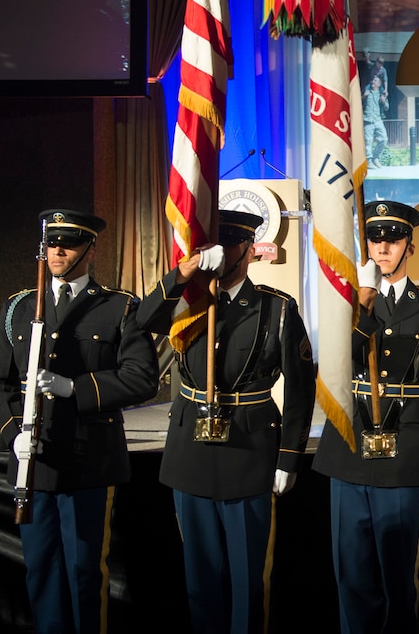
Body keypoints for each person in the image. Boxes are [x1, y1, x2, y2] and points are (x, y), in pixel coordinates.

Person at [135, 209, 316, 634]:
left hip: (248, 454)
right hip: (190, 453)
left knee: (247, 582)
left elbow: (301, 390)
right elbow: (142, 321)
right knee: (199, 583)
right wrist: (182, 273)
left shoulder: (277, 309)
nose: (220, 251)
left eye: (231, 242)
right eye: (213, 243)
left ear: (250, 251)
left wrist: (289, 458)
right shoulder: (188, 303)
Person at [0, 209, 159, 634]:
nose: (57, 250)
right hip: (34, 462)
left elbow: (141, 379)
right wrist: (12, 435)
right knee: (41, 570)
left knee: (85, 572)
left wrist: (73, 388)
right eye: (51, 242)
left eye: (69, 243)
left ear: (90, 250)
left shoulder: (119, 307)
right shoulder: (19, 307)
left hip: (89, 461)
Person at [313, 200, 419, 634]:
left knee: (399, 580)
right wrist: (360, 303)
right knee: (352, 576)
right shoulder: (349, 301)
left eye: (393, 240)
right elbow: (335, 362)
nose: (383, 248)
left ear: (409, 247)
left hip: (406, 451)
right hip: (350, 446)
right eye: (376, 239)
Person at [363, 73, 389, 169]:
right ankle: (369, 161)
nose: (373, 82)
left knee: (384, 139)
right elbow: (358, 103)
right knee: (368, 142)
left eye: (375, 81)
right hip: (367, 120)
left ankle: (375, 157)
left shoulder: (381, 94)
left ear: (379, 84)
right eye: (373, 80)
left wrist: (383, 101)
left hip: (378, 120)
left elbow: (386, 108)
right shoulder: (366, 91)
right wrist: (363, 96)